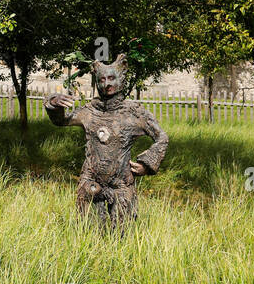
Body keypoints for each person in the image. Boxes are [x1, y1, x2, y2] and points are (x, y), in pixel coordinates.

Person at [45, 54, 168, 228]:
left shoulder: (134, 113)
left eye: (111, 78)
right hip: (90, 182)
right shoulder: (89, 111)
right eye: (102, 79)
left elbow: (161, 137)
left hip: (121, 184)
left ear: (121, 78)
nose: (106, 84)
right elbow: (61, 121)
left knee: (121, 233)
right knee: (90, 232)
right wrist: (53, 103)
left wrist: (146, 165)